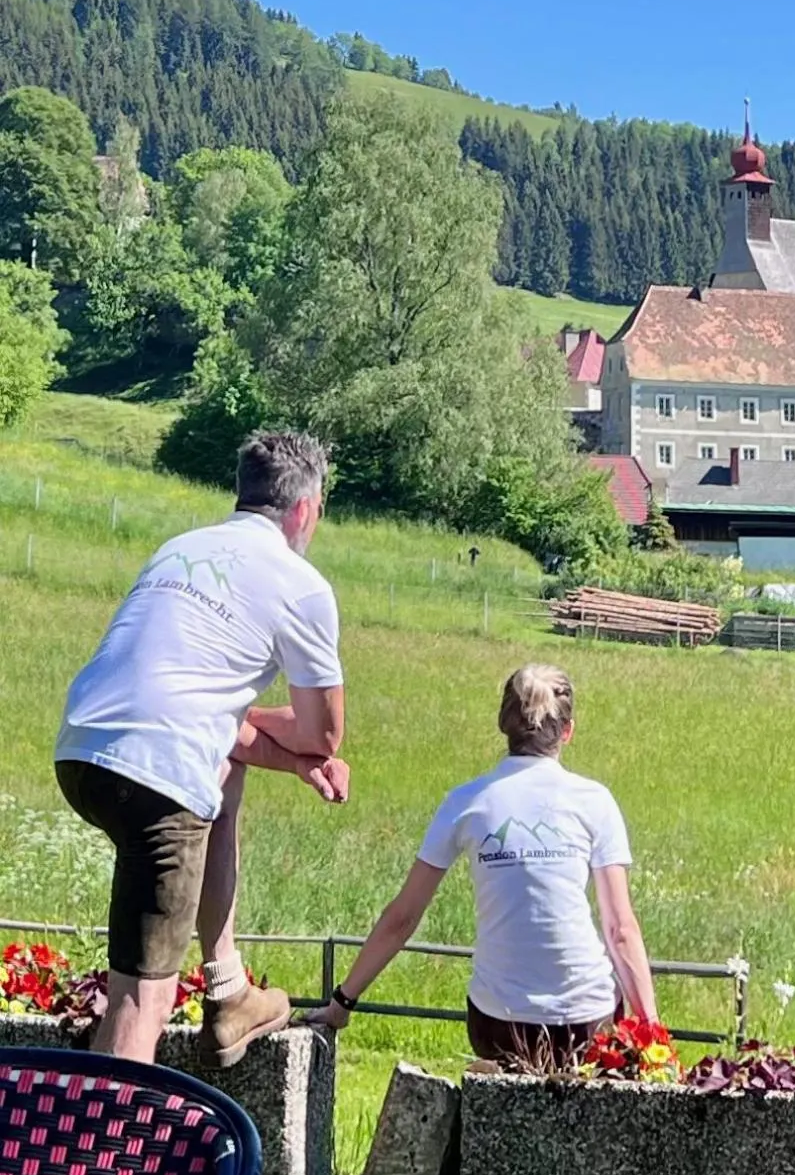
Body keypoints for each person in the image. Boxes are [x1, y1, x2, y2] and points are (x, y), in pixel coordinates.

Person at [54, 430, 348, 1068]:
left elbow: (218, 724)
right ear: (304, 509)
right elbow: (323, 733)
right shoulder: (300, 584)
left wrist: (282, 753)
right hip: (157, 776)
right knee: (143, 1006)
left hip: (81, 751)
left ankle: (229, 987)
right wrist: (305, 753)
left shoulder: (180, 549)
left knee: (225, 765)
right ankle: (96, 1163)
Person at [305, 664, 657, 1066]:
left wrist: (342, 1001)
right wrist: (652, 1035)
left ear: (503, 724)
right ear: (568, 731)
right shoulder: (594, 801)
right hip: (586, 1022)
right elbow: (620, 929)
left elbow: (403, 916)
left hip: (497, 1023)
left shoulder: (466, 802)